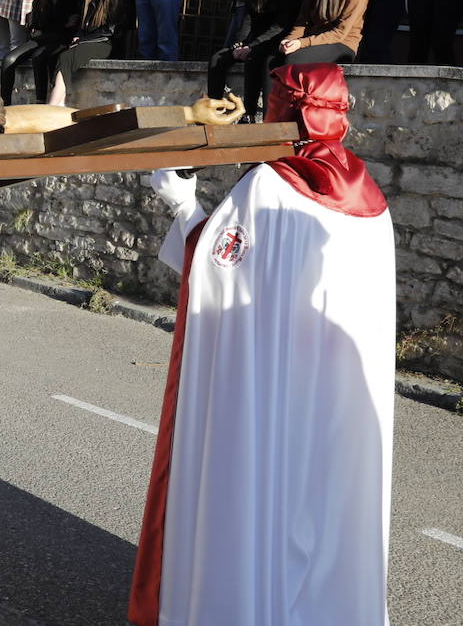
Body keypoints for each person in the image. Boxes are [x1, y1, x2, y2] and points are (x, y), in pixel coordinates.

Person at [130, 62, 394, 626]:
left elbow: (219, 269)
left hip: (271, 393)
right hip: (337, 404)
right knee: (325, 506)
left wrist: (182, 203)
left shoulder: (272, 186)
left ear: (288, 112)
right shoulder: (373, 201)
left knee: (257, 496)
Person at [208, 0, 302, 116]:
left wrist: (251, 46)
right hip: (253, 39)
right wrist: (239, 44)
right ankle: (213, 111)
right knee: (217, 59)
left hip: (276, 40)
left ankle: (248, 114)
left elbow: (281, 26)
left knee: (254, 58)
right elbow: (249, 18)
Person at [36, 0, 131, 106]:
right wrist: (79, 35)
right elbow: (83, 20)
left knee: (66, 57)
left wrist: (83, 40)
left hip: (104, 42)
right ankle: (57, 103)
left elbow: (112, 30)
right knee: (58, 54)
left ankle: (53, 104)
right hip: (88, 39)